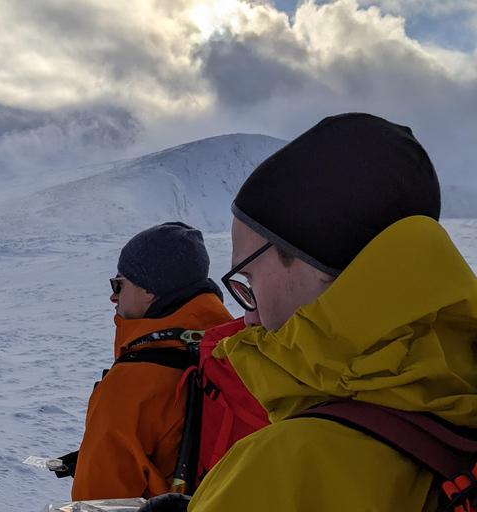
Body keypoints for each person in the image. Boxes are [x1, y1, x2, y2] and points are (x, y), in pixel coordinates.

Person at [186, 113, 477, 511]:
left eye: (248, 278)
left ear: (316, 264)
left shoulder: (285, 468)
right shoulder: (461, 398)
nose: (248, 319)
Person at [71, 222, 234, 500]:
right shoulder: (236, 350)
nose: (113, 295)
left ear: (149, 291)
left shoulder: (130, 385)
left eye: (119, 283)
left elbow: (98, 502)